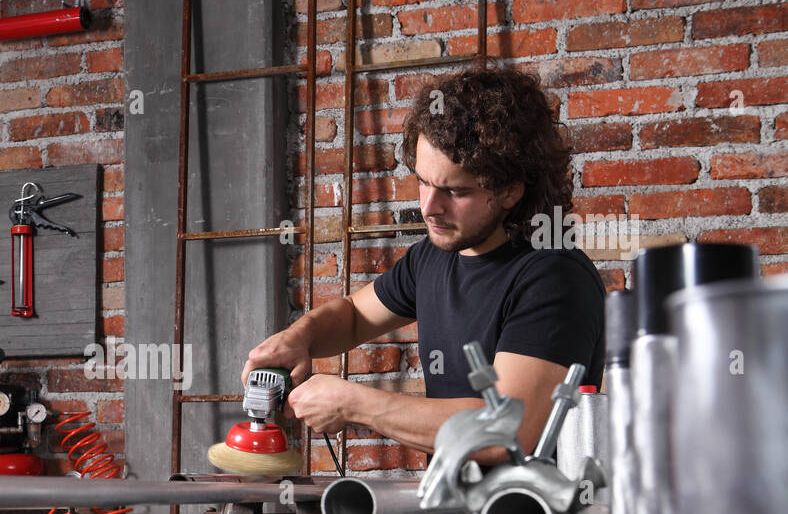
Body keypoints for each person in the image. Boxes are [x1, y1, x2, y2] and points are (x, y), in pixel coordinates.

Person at [242, 65, 605, 465]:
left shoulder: (554, 277)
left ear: (510, 191)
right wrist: (300, 337)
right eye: (423, 182)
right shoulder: (432, 257)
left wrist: (354, 404)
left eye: (454, 190)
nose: (429, 208)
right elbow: (353, 316)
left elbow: (505, 431)